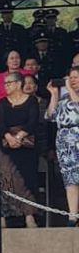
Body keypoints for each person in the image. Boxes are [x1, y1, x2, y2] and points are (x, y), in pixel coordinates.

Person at [0, 72, 42, 228]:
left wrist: (20, 136)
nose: (6, 86)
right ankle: (5, 216)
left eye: (9, 83)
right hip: (7, 144)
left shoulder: (31, 100)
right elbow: (1, 123)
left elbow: (33, 121)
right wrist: (9, 137)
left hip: (26, 143)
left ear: (18, 83)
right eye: (5, 83)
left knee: (27, 178)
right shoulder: (2, 102)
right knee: (6, 178)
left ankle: (29, 215)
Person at [45, 66, 79, 224]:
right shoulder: (64, 99)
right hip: (64, 142)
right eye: (70, 77)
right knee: (70, 180)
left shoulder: (73, 96)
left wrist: (69, 88)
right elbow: (51, 115)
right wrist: (54, 95)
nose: (72, 80)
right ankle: (73, 215)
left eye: (76, 77)